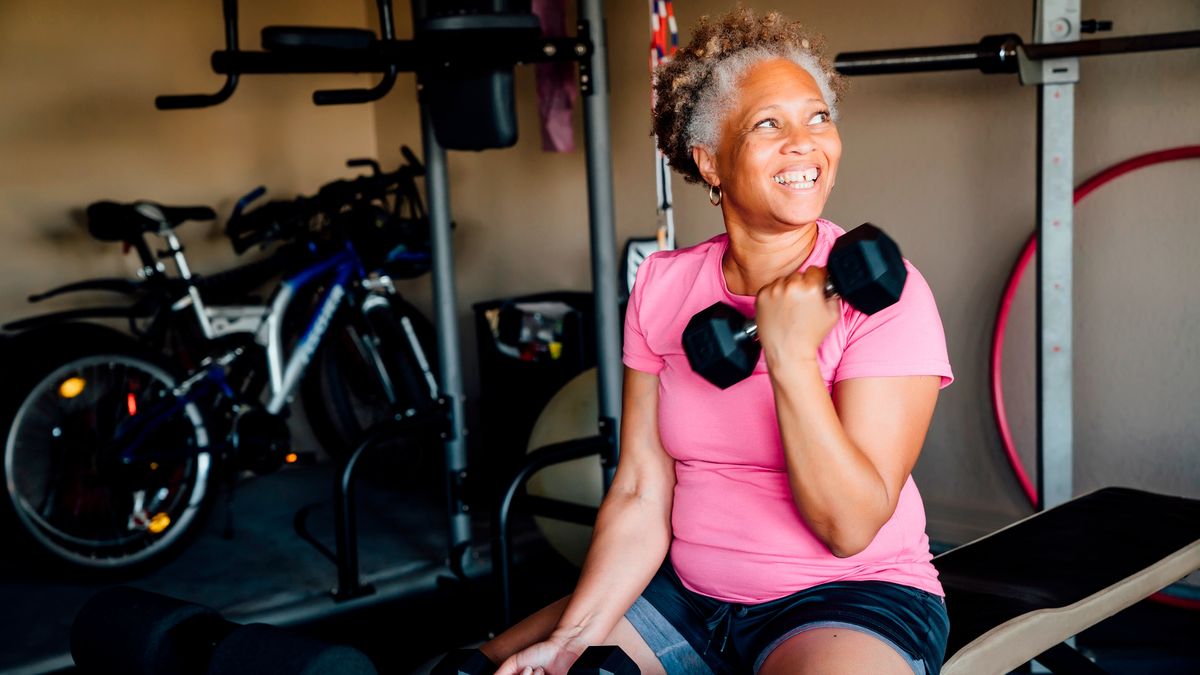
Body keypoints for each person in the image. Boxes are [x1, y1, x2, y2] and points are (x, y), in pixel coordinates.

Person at [485, 7, 953, 674]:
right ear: (709, 162)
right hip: (688, 593)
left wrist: (790, 357)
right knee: (485, 668)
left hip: (850, 598)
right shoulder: (662, 287)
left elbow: (850, 526)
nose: (805, 142)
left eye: (818, 116)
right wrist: (573, 637)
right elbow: (643, 487)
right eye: (769, 124)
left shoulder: (883, 288)